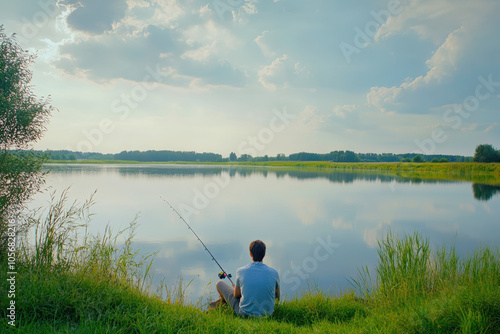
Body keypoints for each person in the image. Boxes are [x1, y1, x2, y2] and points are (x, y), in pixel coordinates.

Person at [209, 240, 280, 317]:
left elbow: (236, 295)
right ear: (264, 255)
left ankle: (222, 304)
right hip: (268, 314)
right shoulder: (274, 273)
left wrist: (237, 288)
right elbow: (277, 296)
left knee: (219, 284)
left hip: (244, 313)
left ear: (250, 254)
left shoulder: (241, 271)